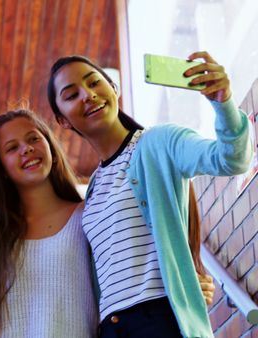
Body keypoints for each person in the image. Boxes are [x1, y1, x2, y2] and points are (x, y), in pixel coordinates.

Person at [46, 52, 251, 337]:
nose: (88, 95)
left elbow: (232, 160)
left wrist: (224, 103)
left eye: (94, 83)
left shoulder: (158, 142)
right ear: (62, 120)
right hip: (112, 329)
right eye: (71, 95)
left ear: (113, 88)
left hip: (159, 321)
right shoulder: (92, 189)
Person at [0, 109, 97, 337]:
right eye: (12, 148)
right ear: (2, 169)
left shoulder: (88, 215)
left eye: (33, 138)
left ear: (51, 148)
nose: (26, 149)